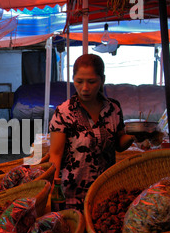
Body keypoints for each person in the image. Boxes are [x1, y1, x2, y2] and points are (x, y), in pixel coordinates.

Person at [49, 54, 135, 211]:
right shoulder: (64, 112)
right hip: (71, 195)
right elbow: (55, 154)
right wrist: (55, 189)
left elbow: (119, 144)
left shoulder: (113, 109)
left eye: (91, 81)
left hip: (104, 192)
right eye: (79, 81)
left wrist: (135, 135)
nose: (85, 88)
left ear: (102, 79)